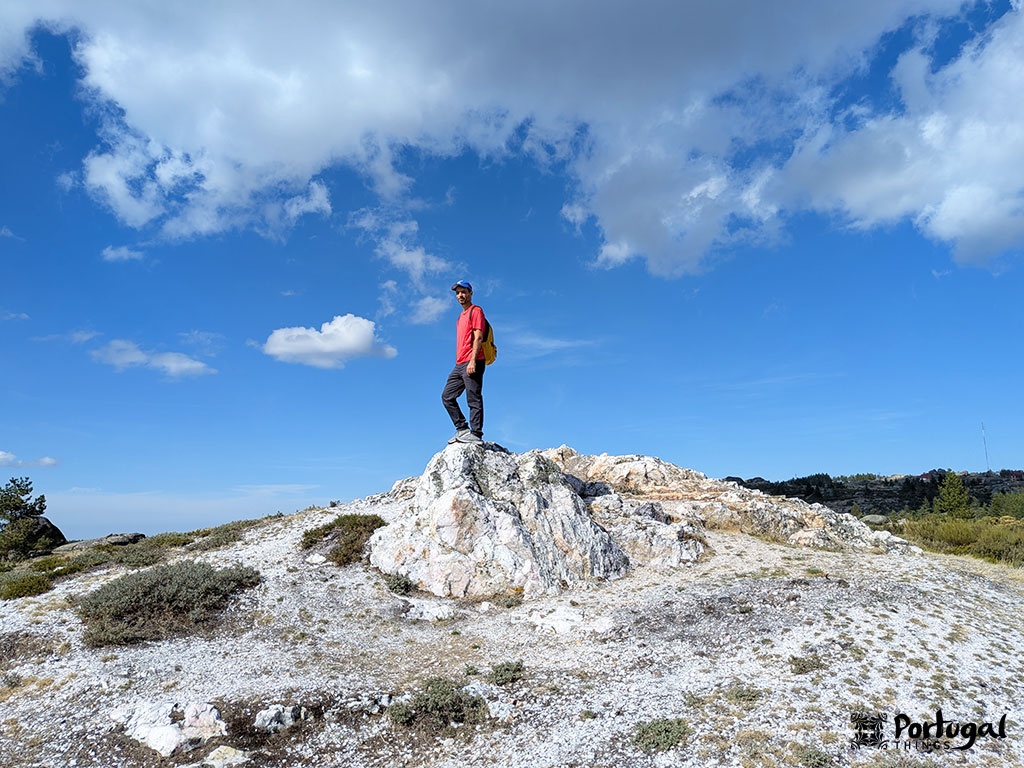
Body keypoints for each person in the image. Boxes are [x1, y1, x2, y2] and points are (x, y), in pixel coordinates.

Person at [442, 280, 486, 444]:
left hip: (473, 360)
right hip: (459, 364)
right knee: (447, 397)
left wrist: (473, 361)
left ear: (470, 293)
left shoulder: (476, 311)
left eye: (463, 292)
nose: (460, 295)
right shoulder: (460, 317)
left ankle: (476, 434)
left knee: (473, 398)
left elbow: (478, 337)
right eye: (458, 293)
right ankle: (462, 428)